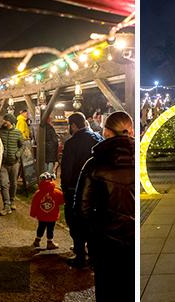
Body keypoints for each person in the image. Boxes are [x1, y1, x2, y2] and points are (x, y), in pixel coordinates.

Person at [75, 111, 135, 302]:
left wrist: (88, 239)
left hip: (105, 241)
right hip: (134, 239)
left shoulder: (94, 163)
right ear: (131, 130)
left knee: (107, 289)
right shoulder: (140, 159)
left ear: (107, 132)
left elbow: (82, 207)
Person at [61, 112, 102, 268]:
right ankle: (92, 256)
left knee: (76, 221)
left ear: (73, 125)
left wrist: (65, 188)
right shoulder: (98, 139)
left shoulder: (71, 143)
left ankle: (80, 256)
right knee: (92, 221)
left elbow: (67, 170)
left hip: (76, 189)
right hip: (96, 189)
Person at [0, 113, 24, 215]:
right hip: (3, 163)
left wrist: (18, 154)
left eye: (6, 120)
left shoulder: (18, 133)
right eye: (4, 120)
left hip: (14, 163)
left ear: (11, 122)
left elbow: (22, 145)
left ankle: (12, 200)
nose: (4, 122)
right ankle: (6, 205)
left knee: (13, 183)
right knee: (4, 184)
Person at [30, 172, 64, 250]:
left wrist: (33, 213)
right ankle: (50, 243)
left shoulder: (38, 193)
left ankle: (37, 241)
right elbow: (62, 201)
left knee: (40, 228)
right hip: (52, 216)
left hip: (41, 216)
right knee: (50, 230)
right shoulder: (57, 192)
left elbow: (34, 204)